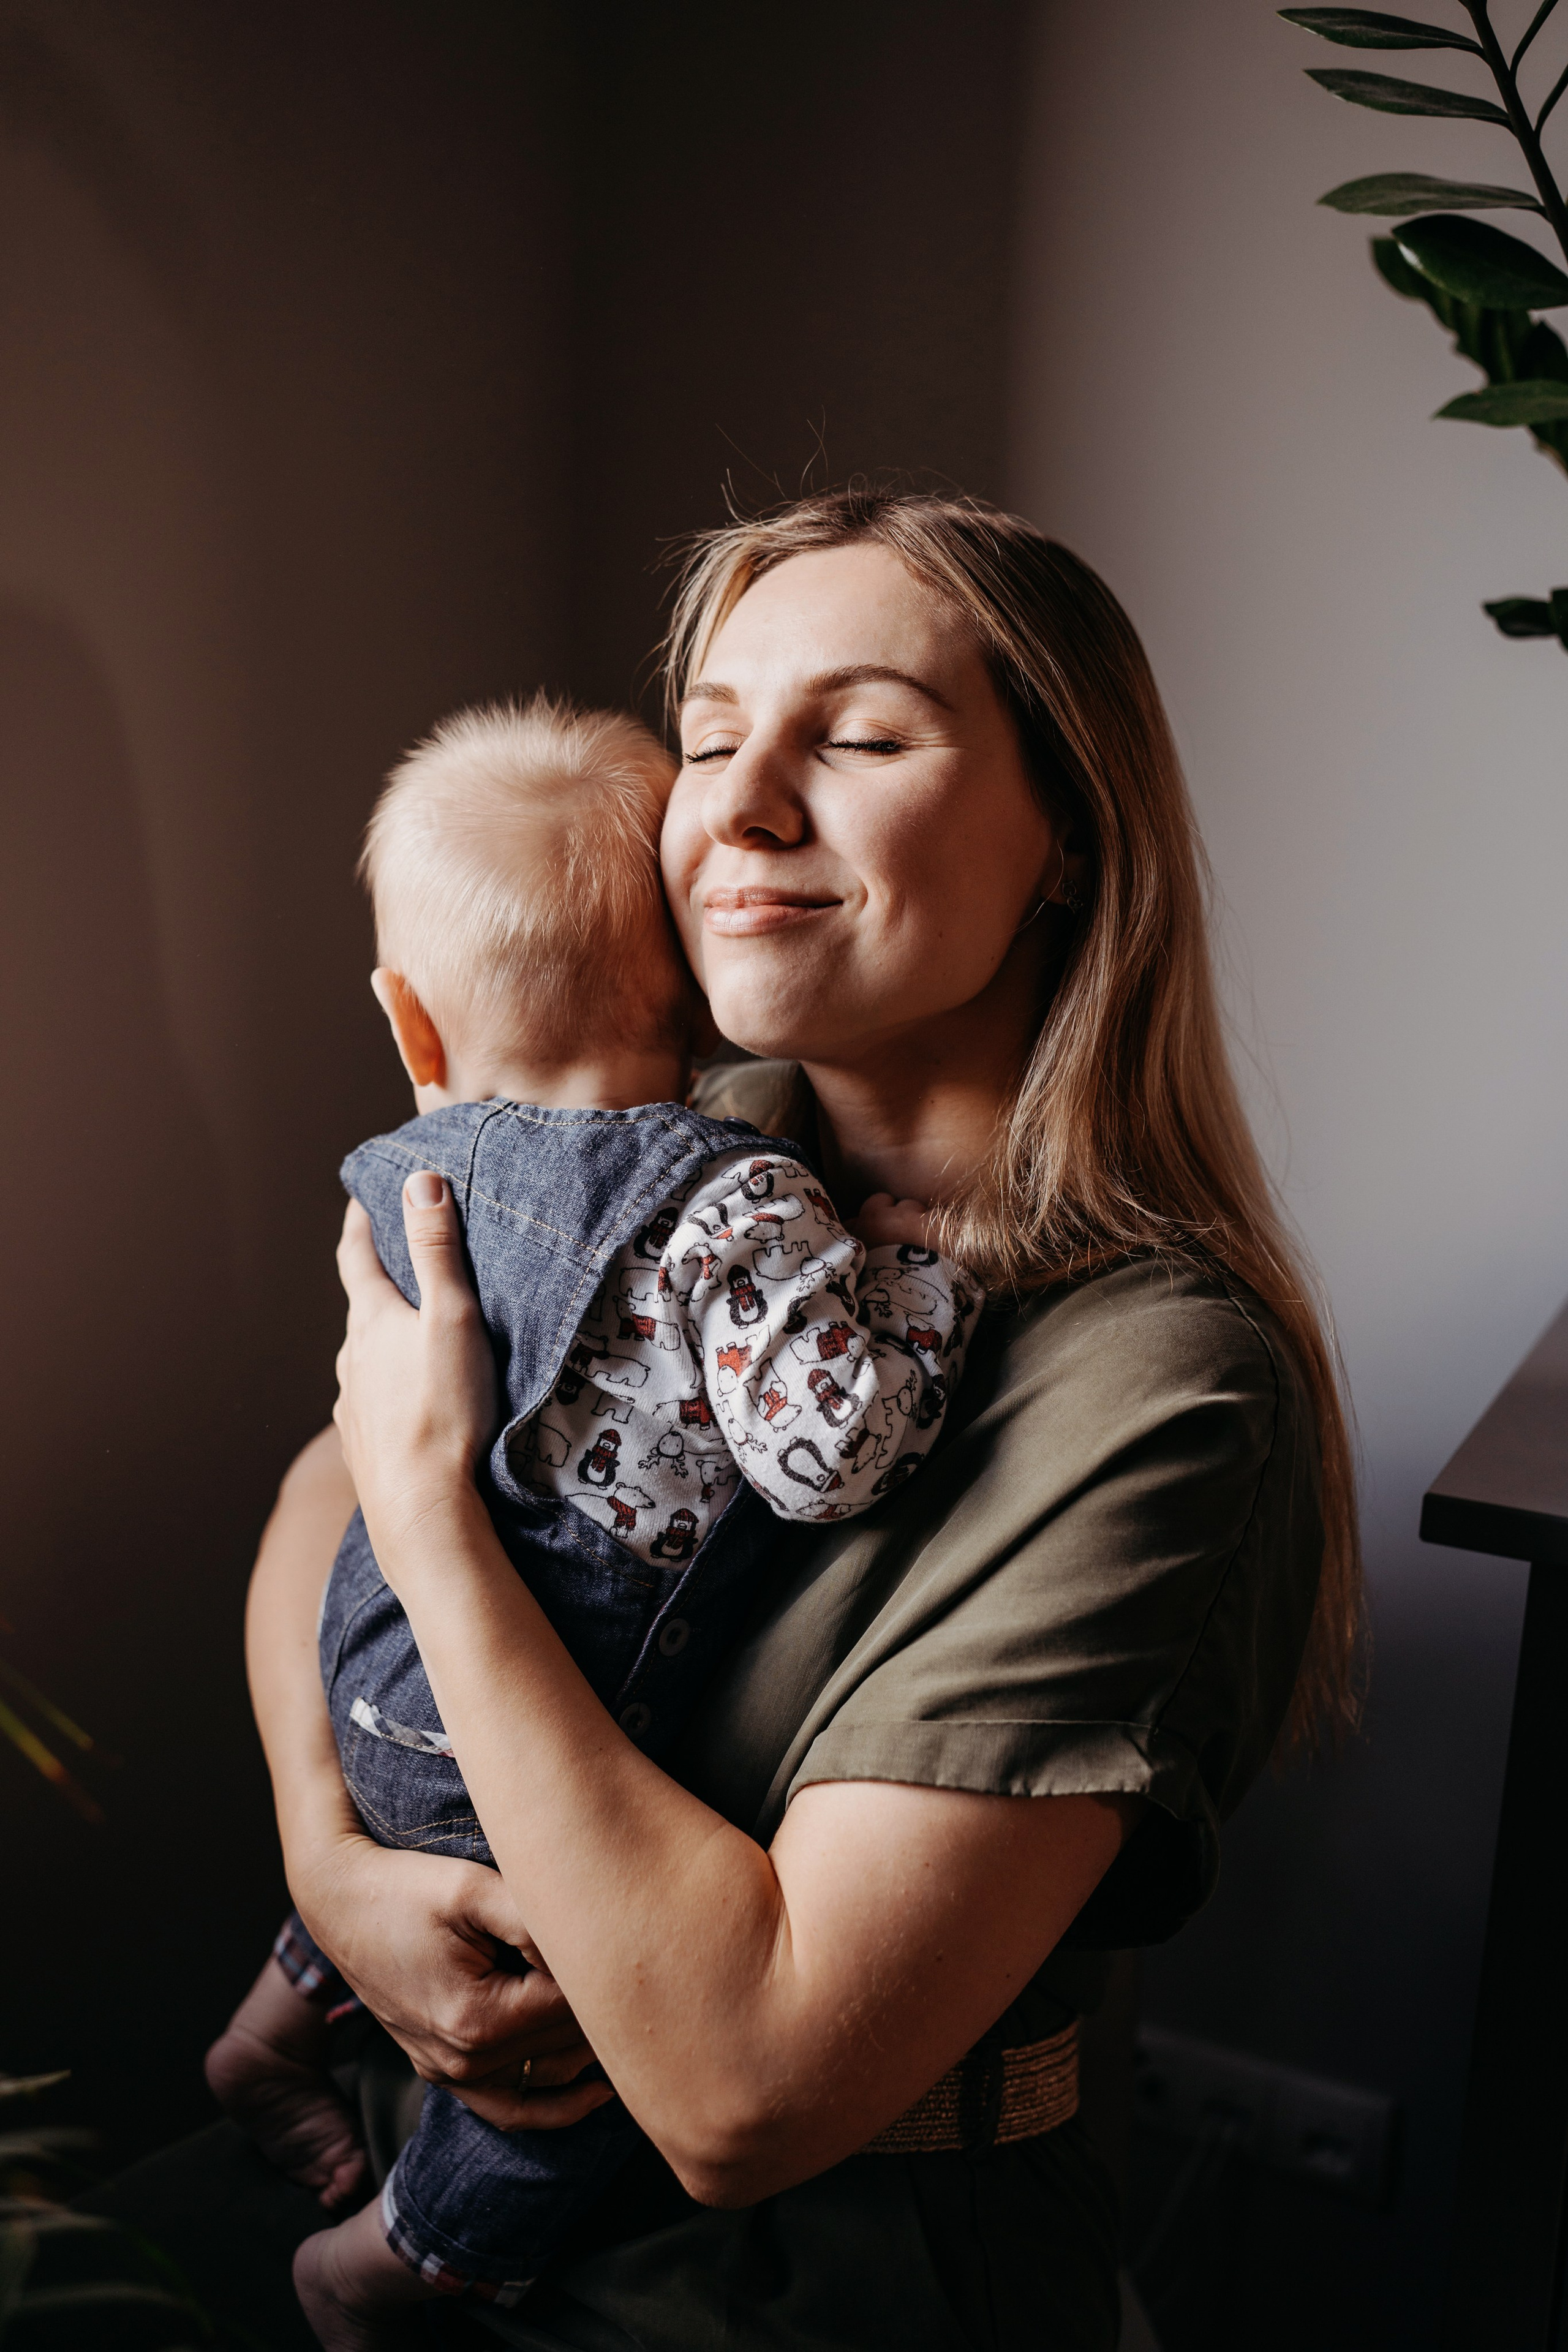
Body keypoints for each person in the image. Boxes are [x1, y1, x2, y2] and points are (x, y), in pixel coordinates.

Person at [217, 487, 1359, 2352]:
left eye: (864, 735)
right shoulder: (687, 1155)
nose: (739, 806)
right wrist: (329, 1871)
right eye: (719, 734)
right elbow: (315, 1491)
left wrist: (432, 1528)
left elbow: (742, 2090)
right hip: (408, 2154)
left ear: (1067, 830)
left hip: (803, 2288)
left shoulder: (1159, 1386)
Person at [207, 692, 978, 2328]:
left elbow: (360, 1448)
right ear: (701, 994)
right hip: (531, 1755)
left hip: (370, 1674)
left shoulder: (399, 1169)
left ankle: (272, 2024)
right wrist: (913, 1285)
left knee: (411, 1797)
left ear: (410, 1025)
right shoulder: (733, 1196)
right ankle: (389, 2260)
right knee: (567, 2067)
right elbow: (828, 1455)